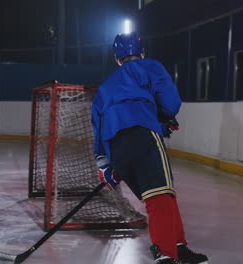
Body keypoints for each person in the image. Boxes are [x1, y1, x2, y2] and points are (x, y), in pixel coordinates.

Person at [91, 32, 209, 264]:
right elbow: (170, 103)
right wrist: (164, 118)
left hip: (116, 149)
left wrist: (104, 164)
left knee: (161, 195)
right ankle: (165, 254)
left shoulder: (105, 87)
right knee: (160, 196)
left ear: (117, 58)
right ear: (142, 52)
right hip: (143, 135)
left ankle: (178, 246)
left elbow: (98, 126)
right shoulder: (150, 66)